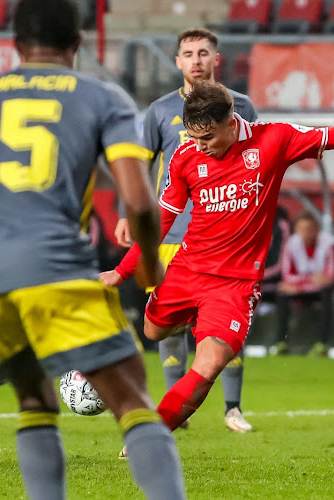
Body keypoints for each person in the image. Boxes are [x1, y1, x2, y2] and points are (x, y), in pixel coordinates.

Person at [0, 1, 186, 499]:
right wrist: (152, 272)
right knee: (133, 401)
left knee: (35, 401)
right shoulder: (103, 99)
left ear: (15, 44)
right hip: (54, 265)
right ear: (78, 43)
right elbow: (140, 202)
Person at [102, 81, 334, 438]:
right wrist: (121, 270)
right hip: (187, 270)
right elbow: (163, 219)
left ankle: (149, 438)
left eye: (207, 138)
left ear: (231, 122)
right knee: (152, 331)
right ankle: (182, 322)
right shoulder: (185, 155)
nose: (200, 146)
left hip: (235, 286)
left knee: (209, 366)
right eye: (194, 137)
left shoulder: (274, 140)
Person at [114, 28, 257, 433]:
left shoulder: (241, 106)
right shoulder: (159, 111)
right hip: (171, 232)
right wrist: (130, 212)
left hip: (227, 233)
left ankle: (233, 408)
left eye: (203, 53)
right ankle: (178, 410)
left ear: (216, 59)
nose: (195, 60)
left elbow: (258, 159)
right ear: (177, 62)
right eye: (188, 54)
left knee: (224, 327)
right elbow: (140, 164)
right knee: (168, 327)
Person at [275, 212, 334, 355]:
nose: (306, 233)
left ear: (317, 229)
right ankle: (281, 343)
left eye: (309, 229)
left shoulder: (330, 243)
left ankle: (322, 344)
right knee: (282, 293)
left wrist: (300, 283)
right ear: (297, 230)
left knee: (327, 294)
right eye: (302, 230)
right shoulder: (291, 243)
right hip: (310, 288)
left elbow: (330, 278)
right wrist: (311, 280)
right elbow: (287, 276)